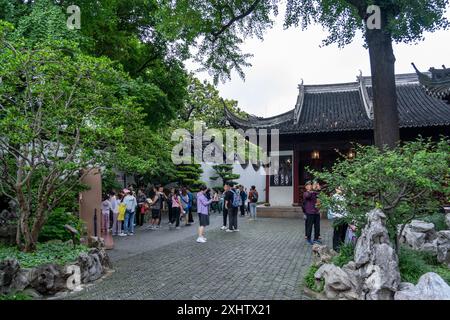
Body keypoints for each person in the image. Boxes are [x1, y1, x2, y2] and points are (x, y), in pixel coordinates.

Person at [328, 187, 349, 252]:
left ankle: (341, 247)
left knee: (343, 233)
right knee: (337, 233)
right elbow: (331, 210)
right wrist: (337, 216)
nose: (341, 189)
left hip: (345, 218)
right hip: (337, 218)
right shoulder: (334, 197)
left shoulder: (345, 196)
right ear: (336, 189)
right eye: (339, 188)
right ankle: (336, 248)